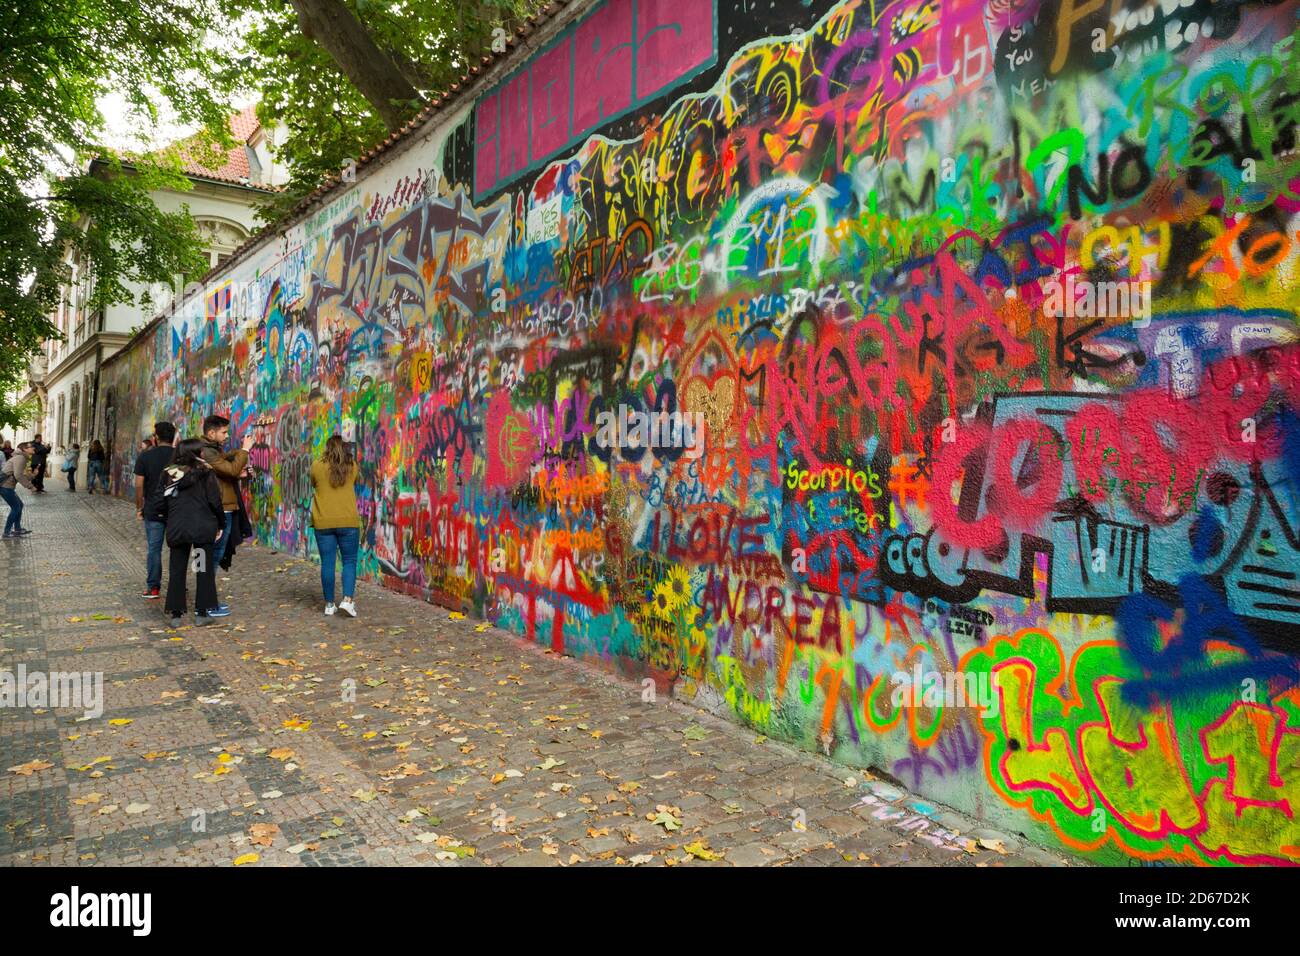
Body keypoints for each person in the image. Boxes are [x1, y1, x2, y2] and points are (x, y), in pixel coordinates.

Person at [157, 438, 224, 627]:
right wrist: (221, 522)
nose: (204, 454)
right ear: (195, 453)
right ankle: (201, 613)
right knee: (201, 568)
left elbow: (160, 502)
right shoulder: (206, 472)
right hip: (201, 531)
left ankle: (176, 615)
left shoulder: (169, 473)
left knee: (177, 570)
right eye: (201, 451)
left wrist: (169, 519)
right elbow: (215, 500)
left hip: (178, 529)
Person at [199, 414, 251, 618]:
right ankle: (205, 602)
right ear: (211, 433)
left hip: (224, 507)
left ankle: (206, 601)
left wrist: (238, 470)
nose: (227, 435)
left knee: (214, 556)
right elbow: (229, 469)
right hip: (220, 509)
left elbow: (227, 469)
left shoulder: (213, 451)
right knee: (213, 556)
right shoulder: (208, 452)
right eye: (224, 432)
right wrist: (245, 450)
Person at [310, 434, 361, 617]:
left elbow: (314, 483)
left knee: (328, 563)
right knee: (349, 561)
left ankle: (329, 604)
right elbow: (353, 482)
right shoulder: (352, 466)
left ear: (327, 448)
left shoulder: (316, 465)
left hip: (323, 522)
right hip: (348, 521)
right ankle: (347, 600)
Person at [135, 422, 177, 599]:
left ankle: (153, 587)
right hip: (177, 509)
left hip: (153, 508)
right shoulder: (179, 456)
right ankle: (178, 585)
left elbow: (139, 484)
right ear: (173, 437)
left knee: (154, 549)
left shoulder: (146, 456)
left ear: (156, 437)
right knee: (178, 549)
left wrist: (139, 507)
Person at [0, 441, 36, 536]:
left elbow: (18, 474)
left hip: (7, 486)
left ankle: (17, 529)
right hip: (5, 486)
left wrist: (32, 476)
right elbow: (18, 475)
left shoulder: (21, 457)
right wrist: (30, 486)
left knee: (19, 505)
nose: (33, 448)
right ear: (25, 449)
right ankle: (6, 532)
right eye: (31, 446)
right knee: (16, 507)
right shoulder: (20, 458)